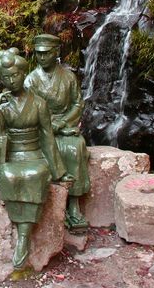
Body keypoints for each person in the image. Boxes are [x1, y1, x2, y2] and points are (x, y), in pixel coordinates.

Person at [0, 47, 68, 269]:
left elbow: (47, 138)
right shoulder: (4, 105)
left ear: (24, 74)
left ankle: (24, 237)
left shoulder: (38, 103)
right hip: (12, 153)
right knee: (10, 174)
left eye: (15, 75)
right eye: (6, 77)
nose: (11, 81)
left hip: (34, 153)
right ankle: (22, 233)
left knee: (35, 174)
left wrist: (58, 171)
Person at [25, 34, 90, 230]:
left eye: (46, 53)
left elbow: (78, 104)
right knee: (47, 148)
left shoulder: (68, 77)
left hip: (63, 125)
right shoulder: (31, 80)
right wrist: (46, 124)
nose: (42, 57)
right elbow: (27, 108)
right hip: (40, 127)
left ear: (56, 53)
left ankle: (73, 205)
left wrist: (62, 122)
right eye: (38, 54)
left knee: (75, 148)